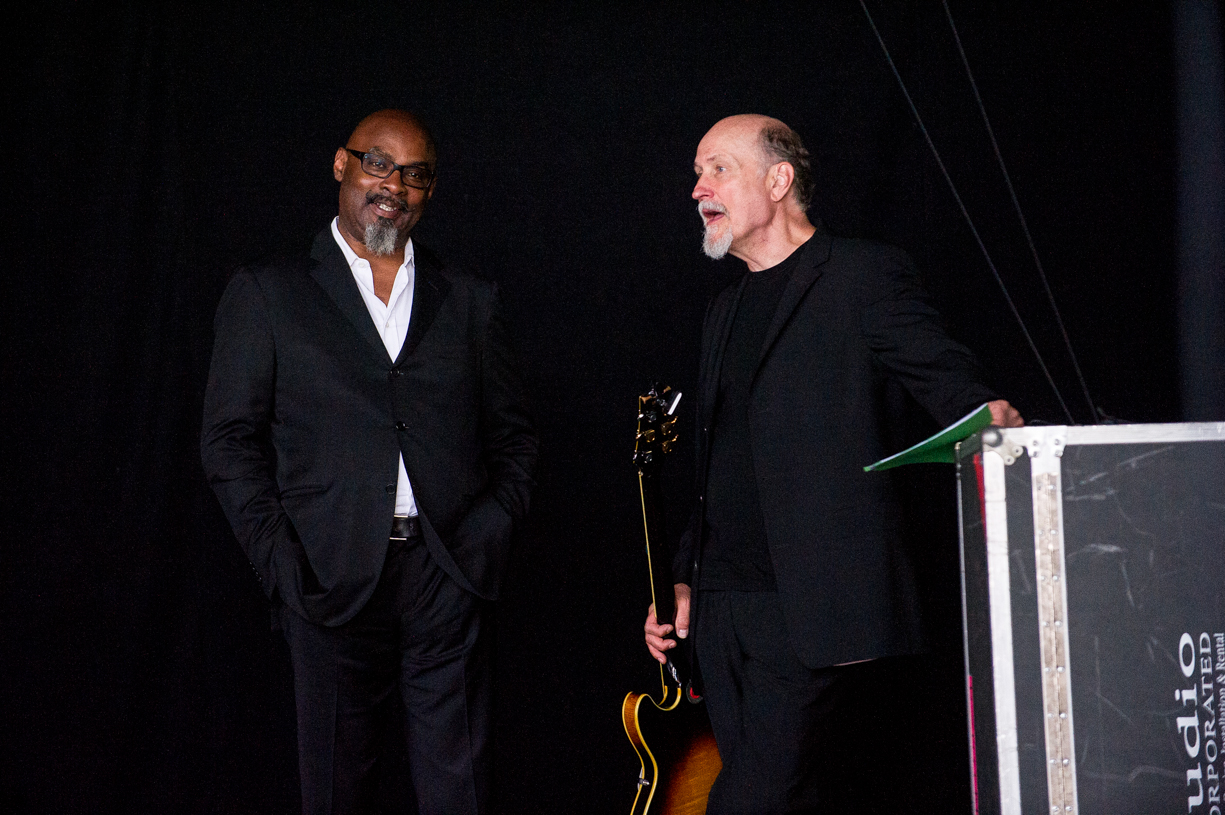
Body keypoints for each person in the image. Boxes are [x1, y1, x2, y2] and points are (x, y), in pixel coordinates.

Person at [643, 114, 1023, 814]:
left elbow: (943, 378)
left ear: (778, 179)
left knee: (751, 797)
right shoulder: (723, 309)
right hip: (724, 609)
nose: (698, 188)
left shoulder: (859, 275)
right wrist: (681, 577)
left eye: (717, 168)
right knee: (792, 797)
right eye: (697, 173)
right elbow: (717, 462)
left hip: (811, 607)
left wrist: (988, 415)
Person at [201, 109, 538, 815]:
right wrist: (282, 562)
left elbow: (515, 437)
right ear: (341, 165)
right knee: (335, 790)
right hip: (326, 579)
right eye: (378, 164)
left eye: (415, 175)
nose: (395, 185)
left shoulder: (470, 299)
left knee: (461, 790)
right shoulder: (269, 292)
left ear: (430, 192)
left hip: (444, 574)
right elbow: (228, 441)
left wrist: (483, 540)